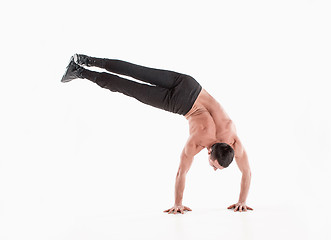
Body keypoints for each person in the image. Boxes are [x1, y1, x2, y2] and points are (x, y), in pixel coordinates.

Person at [61, 54, 253, 214]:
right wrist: (178, 203)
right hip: (180, 102)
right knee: (127, 87)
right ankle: (79, 71)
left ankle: (85, 59)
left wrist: (242, 199)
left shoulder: (233, 138)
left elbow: (247, 172)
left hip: (190, 84)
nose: (212, 168)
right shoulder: (198, 142)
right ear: (211, 151)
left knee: (136, 70)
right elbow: (181, 172)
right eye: (214, 165)